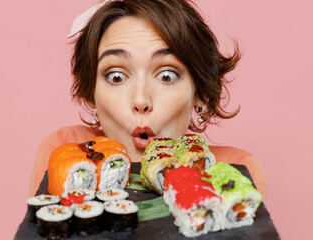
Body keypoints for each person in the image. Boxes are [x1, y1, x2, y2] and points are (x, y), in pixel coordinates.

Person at [29, 0, 267, 200]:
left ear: (199, 93)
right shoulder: (67, 149)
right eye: (116, 76)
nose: (141, 100)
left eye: (166, 75)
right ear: (92, 94)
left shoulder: (233, 167)